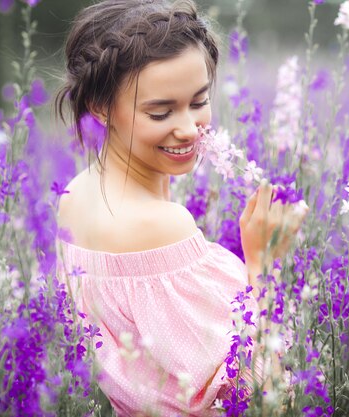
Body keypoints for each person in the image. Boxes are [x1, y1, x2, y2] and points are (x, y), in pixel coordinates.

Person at [54, 0, 308, 416]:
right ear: (101, 107)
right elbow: (267, 401)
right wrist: (265, 264)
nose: (190, 128)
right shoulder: (160, 226)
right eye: (160, 111)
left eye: (198, 101)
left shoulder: (75, 195)